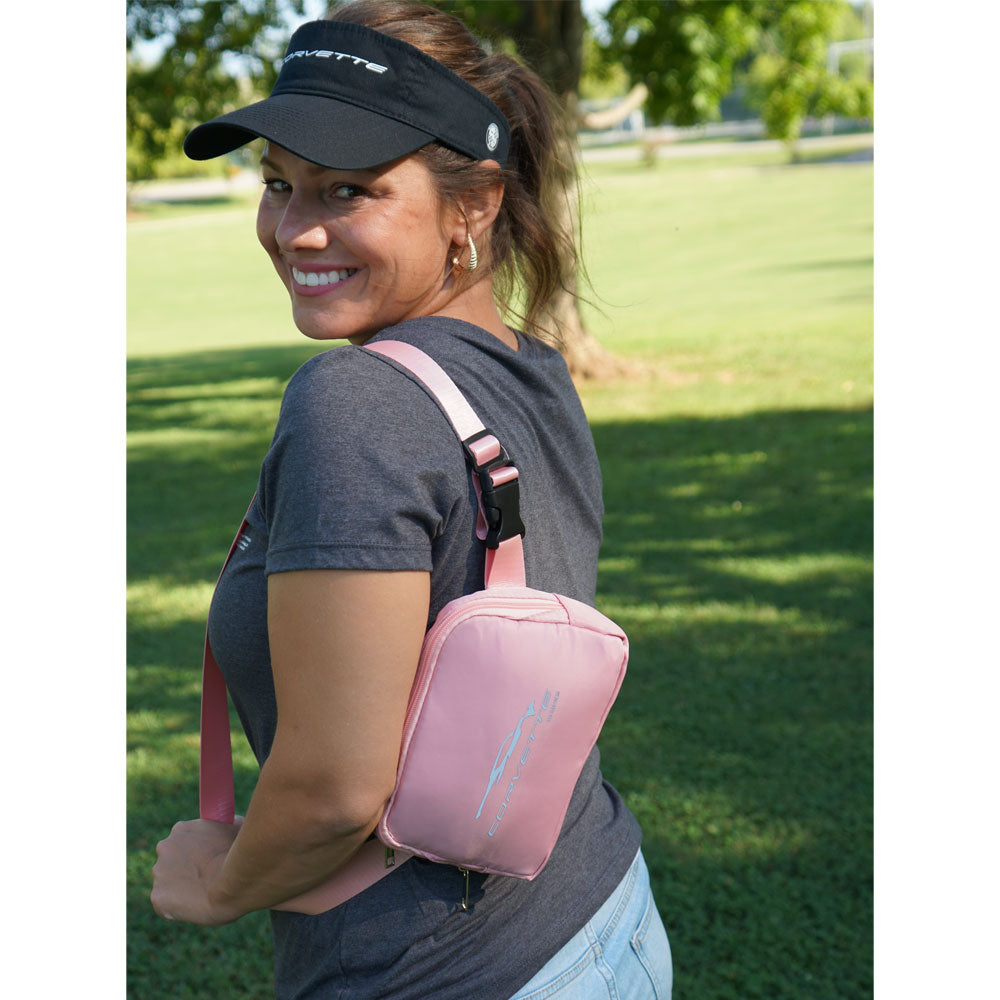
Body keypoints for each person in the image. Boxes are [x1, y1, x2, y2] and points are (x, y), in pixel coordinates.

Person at [150, 3, 672, 998]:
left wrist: (220, 885)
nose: (297, 227)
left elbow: (332, 790)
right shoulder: (529, 367)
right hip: (601, 910)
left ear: (472, 206)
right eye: (277, 183)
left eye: (350, 188)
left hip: (451, 969)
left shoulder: (352, 401)